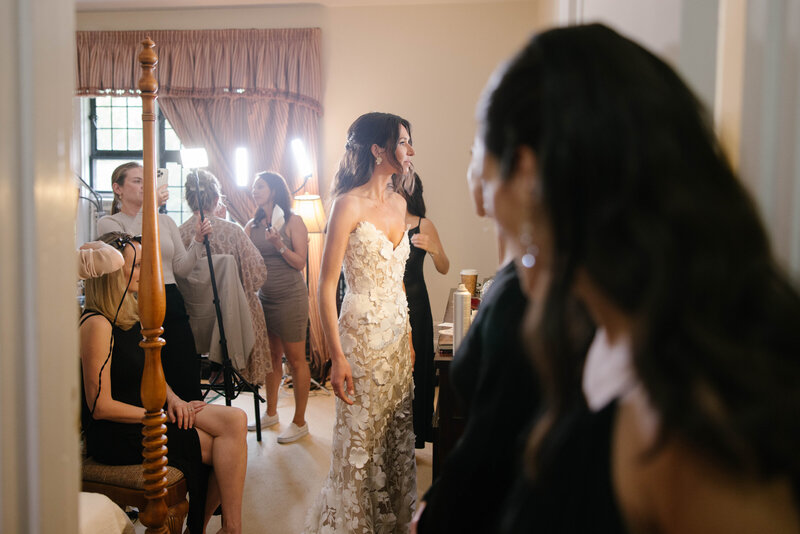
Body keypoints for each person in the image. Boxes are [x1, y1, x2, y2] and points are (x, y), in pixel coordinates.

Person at [470, 24, 800, 533]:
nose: (485, 204)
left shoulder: (681, 423)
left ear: (531, 177)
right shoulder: (597, 330)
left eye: (488, 178)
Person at [411, 139, 540, 532]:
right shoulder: (516, 273)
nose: (470, 169)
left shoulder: (526, 290)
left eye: (474, 156)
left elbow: (496, 434)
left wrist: (438, 507)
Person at [80, 232, 247, 534]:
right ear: (114, 271)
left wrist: (174, 401)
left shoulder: (131, 313)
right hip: (116, 431)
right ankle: (216, 528)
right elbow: (99, 407)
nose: (148, 271)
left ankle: (227, 527)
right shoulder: (97, 323)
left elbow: (151, 373)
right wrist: (156, 416)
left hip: (148, 413)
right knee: (219, 447)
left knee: (236, 420)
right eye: (139, 265)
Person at [306, 112, 417, 533]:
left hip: (396, 341)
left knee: (395, 439)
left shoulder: (401, 203)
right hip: (360, 339)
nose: (410, 151)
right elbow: (325, 284)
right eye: (403, 142)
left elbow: (398, 281)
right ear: (378, 149)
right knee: (359, 443)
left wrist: (407, 337)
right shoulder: (347, 204)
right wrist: (336, 356)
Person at [97, 162, 212, 402]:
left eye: (146, 181)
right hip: (134, 300)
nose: (143, 186)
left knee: (184, 373)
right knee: (146, 374)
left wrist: (198, 241)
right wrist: (151, 208)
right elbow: (137, 250)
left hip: (171, 299)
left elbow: (181, 268)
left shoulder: (166, 222)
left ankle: (192, 433)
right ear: (117, 188)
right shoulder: (109, 224)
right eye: (137, 181)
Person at [178, 170, 272, 391]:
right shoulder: (233, 232)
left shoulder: (179, 233)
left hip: (191, 321)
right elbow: (257, 275)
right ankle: (228, 367)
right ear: (217, 199)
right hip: (230, 321)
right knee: (251, 302)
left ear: (188, 200)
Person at [245, 171, 311, 443]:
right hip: (265, 297)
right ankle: (271, 413)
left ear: (273, 190)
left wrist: (279, 245)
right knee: (272, 357)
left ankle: (300, 421)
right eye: (253, 186)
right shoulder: (252, 224)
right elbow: (245, 255)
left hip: (290, 296)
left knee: (295, 360)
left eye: (259, 186)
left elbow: (300, 263)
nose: (254, 190)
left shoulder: (294, 221)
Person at [400, 172, 449, 449]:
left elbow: (445, 266)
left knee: (418, 371)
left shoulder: (423, 225)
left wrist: (433, 249)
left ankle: (415, 435)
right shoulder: (382, 222)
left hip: (417, 307)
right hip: (387, 306)